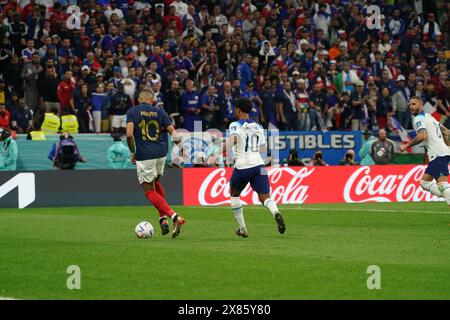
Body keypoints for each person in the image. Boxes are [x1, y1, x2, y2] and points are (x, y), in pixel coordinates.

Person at [207, 98, 286, 238]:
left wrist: (216, 153)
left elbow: (234, 140)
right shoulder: (258, 127)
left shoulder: (235, 125)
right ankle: (276, 212)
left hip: (243, 167)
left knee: (234, 194)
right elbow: (263, 147)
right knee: (265, 197)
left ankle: (243, 228)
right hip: (259, 165)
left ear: (238, 110)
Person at [126, 89, 186, 238]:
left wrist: (133, 152)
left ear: (139, 100)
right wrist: (182, 147)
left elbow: (128, 134)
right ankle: (162, 219)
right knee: (156, 184)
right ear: (152, 100)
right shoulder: (160, 112)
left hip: (145, 155)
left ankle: (174, 217)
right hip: (161, 153)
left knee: (148, 190)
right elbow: (173, 132)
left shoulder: (133, 111)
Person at [400, 96, 450, 206]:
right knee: (425, 182)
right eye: (410, 105)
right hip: (441, 153)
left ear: (421, 106)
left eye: (414, 104)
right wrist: (447, 147)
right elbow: (446, 132)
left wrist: (406, 145)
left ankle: (447, 194)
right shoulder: (429, 116)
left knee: (442, 184)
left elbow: (422, 136)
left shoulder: (418, 118)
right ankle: (447, 194)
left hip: (437, 154)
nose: (411, 106)